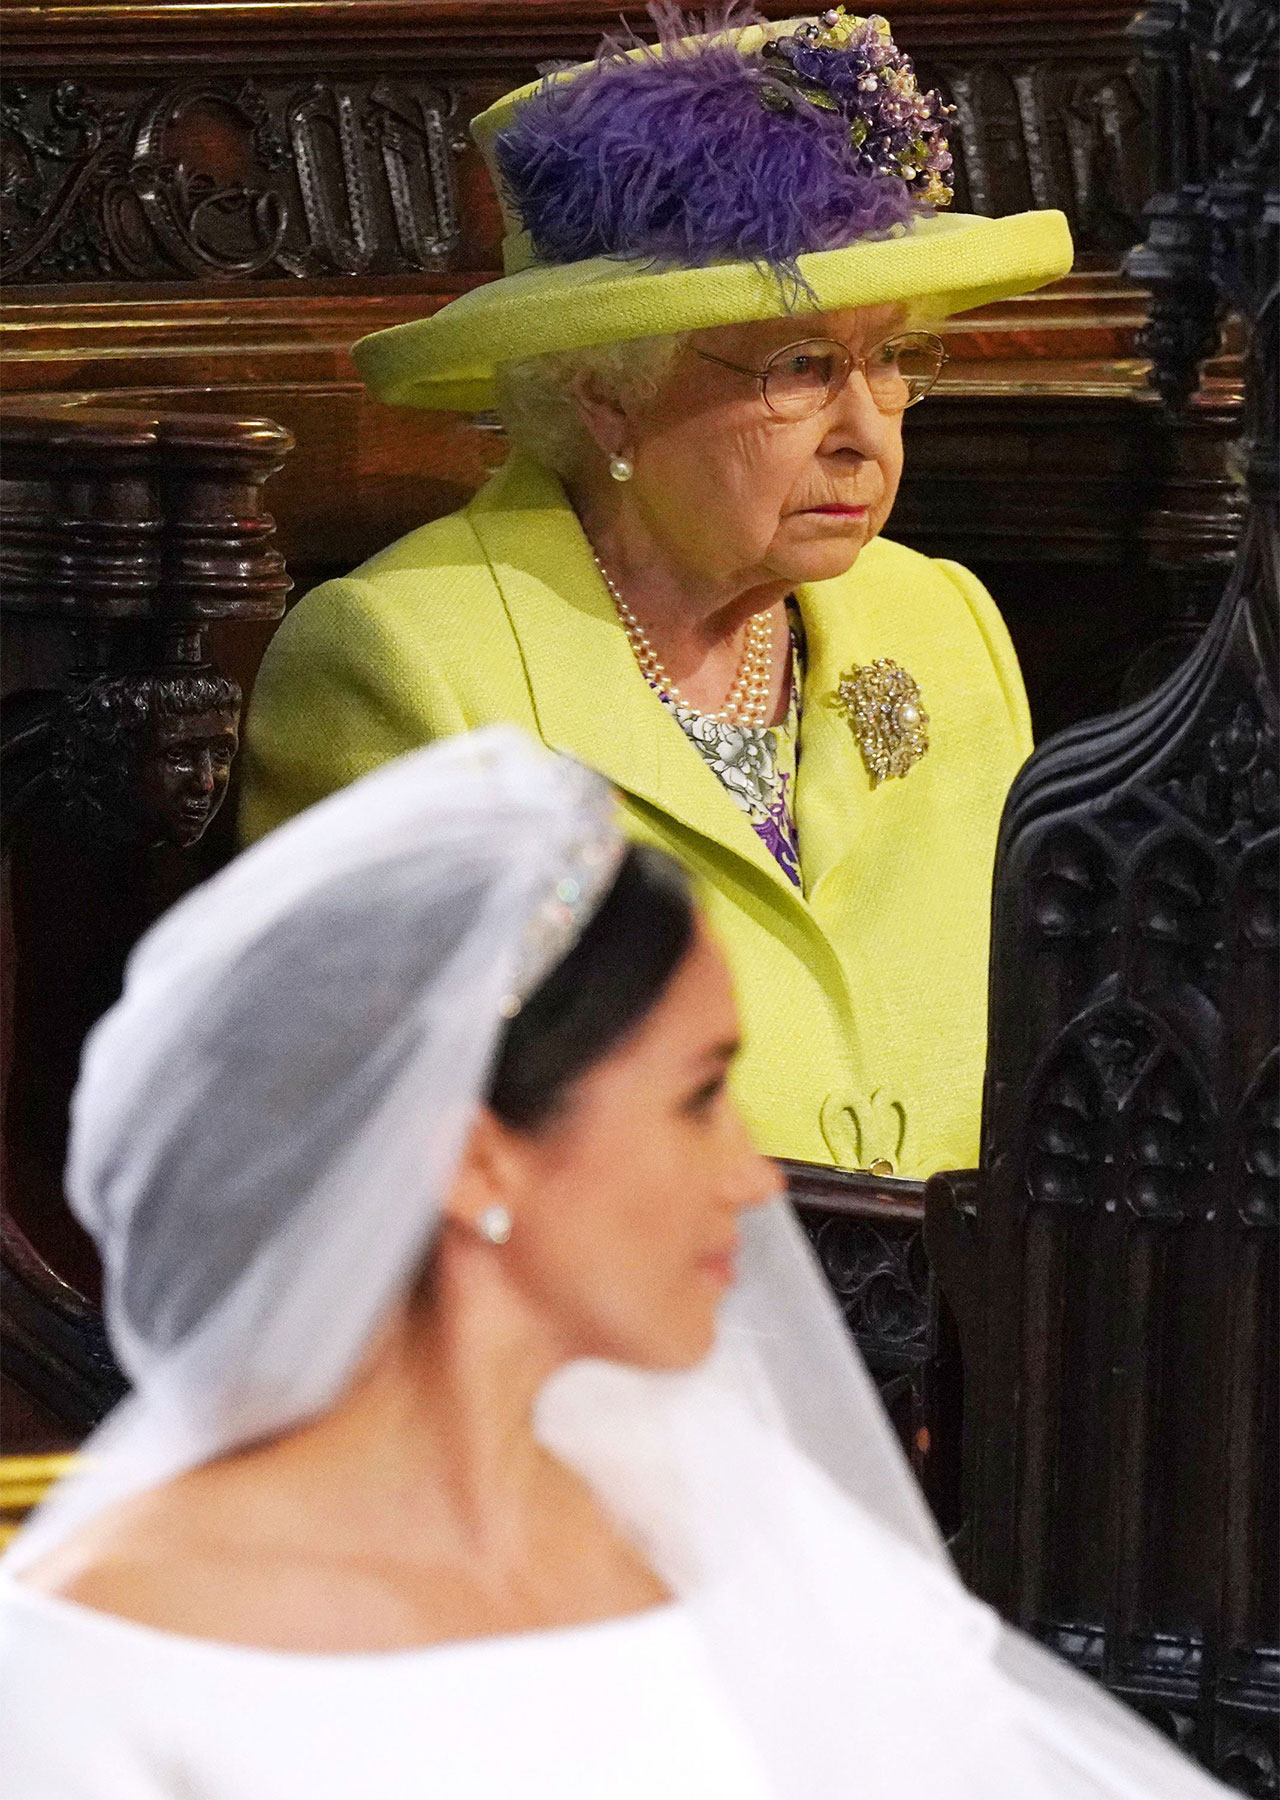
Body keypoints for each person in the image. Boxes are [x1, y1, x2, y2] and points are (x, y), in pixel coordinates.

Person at [0, 730, 1228, 1797]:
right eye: (697, 1098)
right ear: (475, 1158)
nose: (752, 1178)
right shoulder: (94, 1661)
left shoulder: (708, 1519)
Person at [240, 8, 1076, 1178]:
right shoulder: (403, 662)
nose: (865, 436)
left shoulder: (939, 621)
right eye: (799, 367)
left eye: (890, 360)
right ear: (606, 399)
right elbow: (366, 1150)